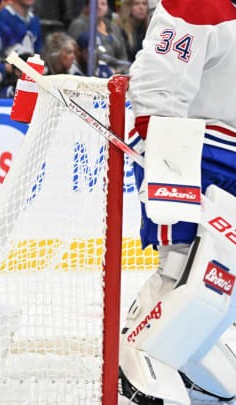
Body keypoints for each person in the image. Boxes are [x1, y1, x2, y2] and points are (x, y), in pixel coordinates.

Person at [119, 0, 236, 403]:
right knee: (182, 260)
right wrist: (165, 156)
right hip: (192, 150)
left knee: (223, 268)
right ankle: (140, 351)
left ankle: (188, 346)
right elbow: (156, 81)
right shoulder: (199, 4)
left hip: (230, 156)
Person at [67, 0, 127, 72]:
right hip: (92, 72)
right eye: (95, 3)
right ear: (87, 6)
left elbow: (123, 57)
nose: (99, 7)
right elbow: (75, 55)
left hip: (117, 72)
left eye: (103, 4)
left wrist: (119, 71)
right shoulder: (78, 25)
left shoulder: (113, 27)